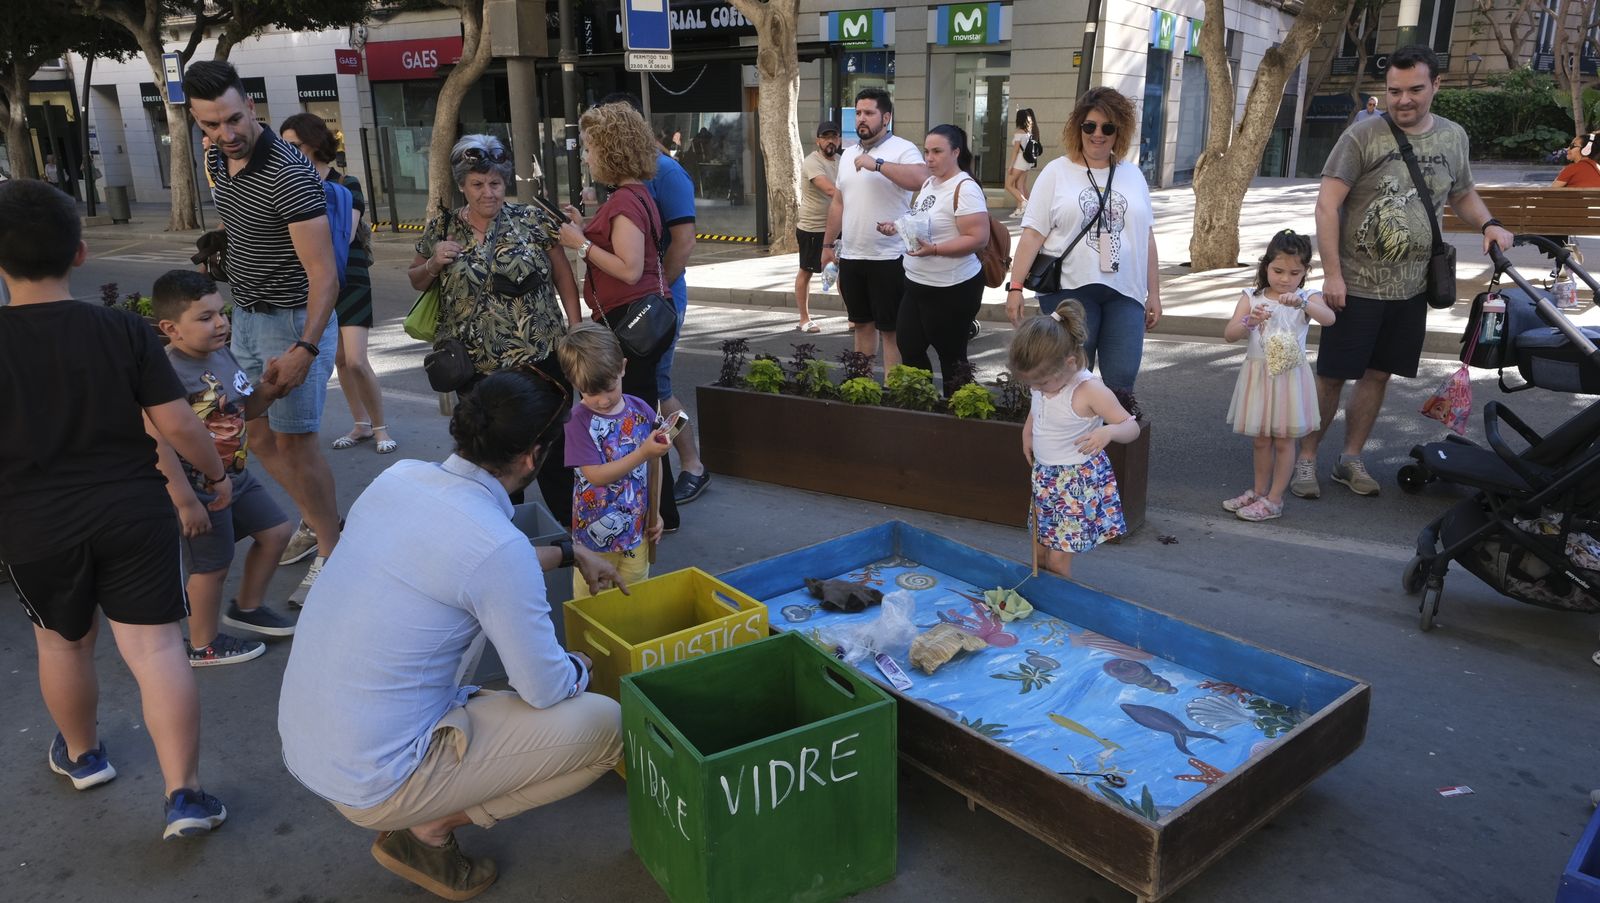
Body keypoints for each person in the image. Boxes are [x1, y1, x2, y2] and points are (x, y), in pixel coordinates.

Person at [279, 370, 625, 900]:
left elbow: (468, 560)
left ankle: (426, 813)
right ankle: (429, 828)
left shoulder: (399, 479)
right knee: (605, 724)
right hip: (376, 779)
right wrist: (583, 666)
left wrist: (569, 552)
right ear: (533, 457)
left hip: (315, 744)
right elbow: (545, 688)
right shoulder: (496, 548)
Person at [0, 180, 230, 839]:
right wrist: (213, 476)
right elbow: (181, 424)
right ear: (78, 252)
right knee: (157, 649)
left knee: (61, 641)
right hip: (134, 509)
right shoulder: (123, 330)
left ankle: (82, 754)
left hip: (34, 524)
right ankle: (184, 795)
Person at [1296, 44, 1515, 499]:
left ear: (1437, 84)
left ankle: (1350, 459)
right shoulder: (1362, 136)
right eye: (1394, 91)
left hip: (1413, 287)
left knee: (1378, 375)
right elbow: (1327, 204)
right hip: (1355, 285)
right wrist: (1331, 274)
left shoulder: (1454, 137)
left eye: (1415, 89)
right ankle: (1304, 460)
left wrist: (1489, 223)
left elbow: (1463, 194)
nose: (1403, 100)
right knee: (1332, 375)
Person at [184, 60, 343, 607]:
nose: (224, 135)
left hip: (292, 321)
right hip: (246, 317)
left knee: (296, 445)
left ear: (252, 107)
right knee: (258, 434)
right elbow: (238, 220)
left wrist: (306, 347)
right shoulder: (213, 157)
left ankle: (332, 548)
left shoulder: (288, 174)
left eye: (232, 120)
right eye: (210, 125)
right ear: (196, 121)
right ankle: (319, 519)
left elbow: (326, 276)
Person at [410, 134, 582, 525]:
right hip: (478, 371)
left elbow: (563, 278)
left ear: (505, 183)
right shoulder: (443, 227)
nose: (487, 192)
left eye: (495, 183)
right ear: (462, 186)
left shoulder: (532, 220)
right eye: (477, 184)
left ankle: (575, 539)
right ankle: (504, 537)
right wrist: (434, 262)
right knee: (496, 463)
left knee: (553, 452)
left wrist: (575, 330)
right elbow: (416, 280)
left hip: (542, 361)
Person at [148, 269, 297, 664]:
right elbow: (157, 442)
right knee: (211, 567)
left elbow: (246, 409)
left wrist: (273, 386)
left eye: (221, 312)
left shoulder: (220, 354)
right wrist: (184, 501)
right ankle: (202, 645)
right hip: (198, 486)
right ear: (171, 328)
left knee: (277, 530)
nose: (220, 323)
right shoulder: (164, 374)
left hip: (234, 476)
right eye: (205, 317)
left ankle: (246, 608)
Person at [555, 101, 680, 532]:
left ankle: (654, 513)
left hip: (631, 322)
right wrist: (583, 226)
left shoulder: (626, 199)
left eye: (589, 148)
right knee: (644, 410)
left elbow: (627, 267)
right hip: (640, 317)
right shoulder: (635, 194)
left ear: (609, 151)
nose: (586, 156)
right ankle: (661, 509)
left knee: (637, 417)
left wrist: (579, 243)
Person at [1005, 87, 1162, 393]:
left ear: (1120, 132)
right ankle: (1067, 440)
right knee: (1069, 381)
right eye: (1090, 126)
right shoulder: (1056, 172)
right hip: (1070, 291)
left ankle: (1109, 440)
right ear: (1079, 128)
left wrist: (1153, 293)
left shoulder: (1133, 175)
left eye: (1108, 127)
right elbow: (1033, 234)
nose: (1098, 134)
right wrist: (1015, 287)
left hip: (1125, 291)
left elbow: (1146, 238)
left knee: (1122, 380)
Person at [595, 93, 708, 509]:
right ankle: (677, 467)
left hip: (656, 298)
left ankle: (692, 464)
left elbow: (684, 242)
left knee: (656, 388)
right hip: (646, 296)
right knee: (651, 389)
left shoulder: (667, 173)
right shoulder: (629, 178)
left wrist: (656, 295)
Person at [281, 112, 396, 457]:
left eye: (295, 145)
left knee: (358, 358)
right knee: (340, 360)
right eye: (285, 146)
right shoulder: (290, 184)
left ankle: (381, 428)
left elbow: (343, 234)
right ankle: (360, 424)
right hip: (313, 278)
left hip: (348, 274)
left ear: (315, 144)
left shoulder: (347, 184)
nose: (289, 152)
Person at [1009, 305, 1140, 579]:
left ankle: (1060, 611)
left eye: (1041, 382)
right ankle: (1045, 600)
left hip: (1075, 483)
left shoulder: (1088, 390)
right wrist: (1028, 432)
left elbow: (1131, 427)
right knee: (1040, 550)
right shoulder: (1046, 383)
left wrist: (1109, 433)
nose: (1036, 389)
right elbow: (1038, 406)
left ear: (1069, 363)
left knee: (1057, 560)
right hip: (1046, 478)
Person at [1220, 231, 1337, 523]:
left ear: (1305, 272)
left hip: (1288, 377)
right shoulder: (1252, 296)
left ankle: (1275, 499)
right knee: (1261, 440)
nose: (1285, 279)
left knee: (1284, 440)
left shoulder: (1306, 297)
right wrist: (1250, 321)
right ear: (1266, 267)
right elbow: (1230, 334)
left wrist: (1301, 304)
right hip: (1258, 374)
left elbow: (1330, 318)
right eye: (1278, 271)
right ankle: (1260, 491)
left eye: (1294, 273)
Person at [557, 323, 671, 597]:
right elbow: (595, 475)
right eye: (590, 392)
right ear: (575, 385)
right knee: (593, 603)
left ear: (622, 368)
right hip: (592, 542)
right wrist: (642, 453)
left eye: (608, 388)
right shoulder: (578, 421)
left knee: (634, 597)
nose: (603, 400)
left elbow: (654, 465)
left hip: (636, 533)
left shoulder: (640, 409)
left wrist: (655, 512)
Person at [875, 124, 990, 396]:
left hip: (951, 288)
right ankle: (925, 406)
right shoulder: (929, 183)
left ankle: (958, 417)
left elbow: (978, 238)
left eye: (937, 151)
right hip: (917, 283)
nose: (929, 158)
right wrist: (898, 226)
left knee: (952, 359)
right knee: (909, 347)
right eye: (926, 151)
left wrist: (936, 249)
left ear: (956, 152)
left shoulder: (965, 188)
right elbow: (921, 220)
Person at [822, 87, 930, 374]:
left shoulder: (903, 149)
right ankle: (862, 385)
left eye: (869, 113)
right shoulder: (848, 155)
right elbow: (838, 203)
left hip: (890, 257)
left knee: (891, 331)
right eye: (858, 113)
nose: (862, 119)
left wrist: (878, 165)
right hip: (853, 255)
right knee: (861, 325)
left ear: (886, 117)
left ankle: (892, 391)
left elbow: (921, 179)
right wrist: (827, 246)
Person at [795, 122, 841, 335]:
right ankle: (804, 319)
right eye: (826, 137)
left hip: (838, 225)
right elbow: (831, 190)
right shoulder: (812, 162)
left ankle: (853, 316)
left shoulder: (841, 161)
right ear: (818, 141)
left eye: (834, 136)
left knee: (845, 271)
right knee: (807, 271)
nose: (830, 141)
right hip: (813, 228)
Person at [1006, 107, 1039, 219]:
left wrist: (1010, 166)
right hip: (1026, 162)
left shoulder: (1019, 133)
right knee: (1019, 185)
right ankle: (1020, 210)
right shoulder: (1028, 132)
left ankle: (1023, 202)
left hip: (1019, 161)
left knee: (1008, 185)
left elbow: (1015, 151)